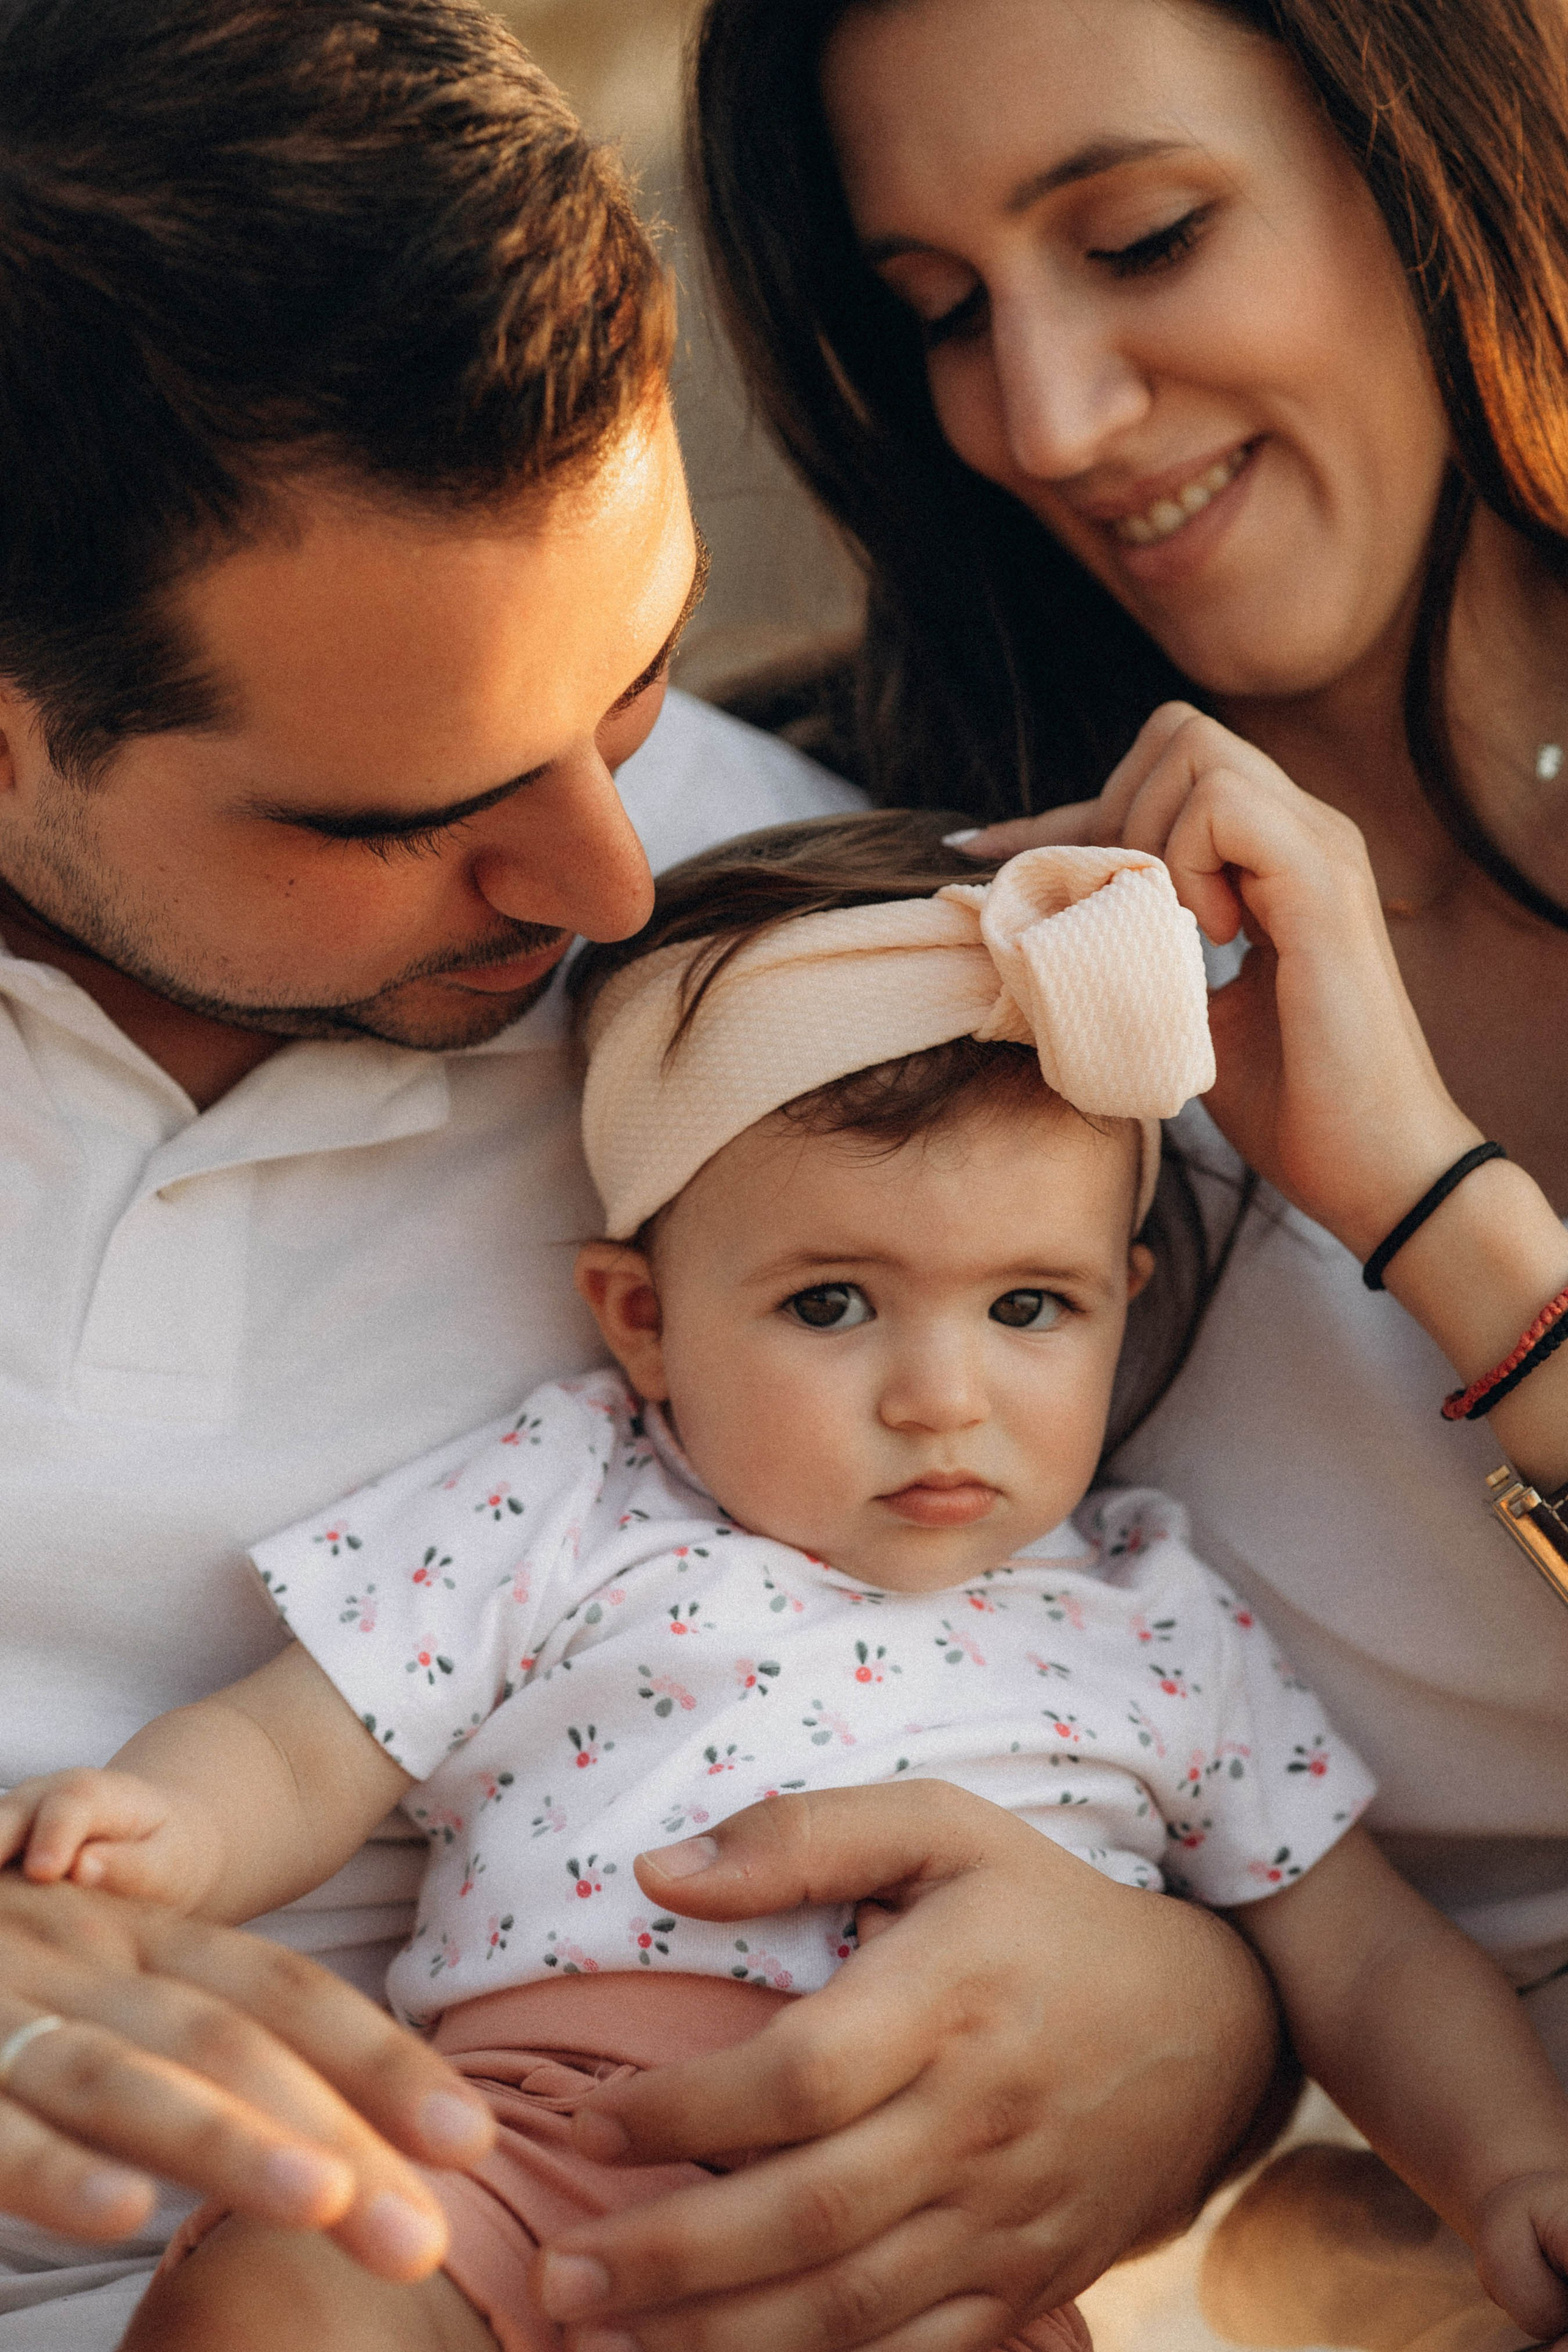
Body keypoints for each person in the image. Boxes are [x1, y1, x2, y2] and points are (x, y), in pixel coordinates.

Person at [0, 6, 1302, 2351]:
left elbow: (1199, 1672)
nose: (608, 885)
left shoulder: (820, 989)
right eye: (406, 816)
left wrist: (1200, 2034)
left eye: (630, 694)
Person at [10, 808, 1568, 2352]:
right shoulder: (570, 1497)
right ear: (641, 1319)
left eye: (1029, 1305)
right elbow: (304, 1740)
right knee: (292, 2290)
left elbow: (1362, 1957)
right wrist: (160, 1834)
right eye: (832, 1302)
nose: (940, 1395)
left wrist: (1508, 2170)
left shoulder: (1159, 1623)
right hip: (525, 2143)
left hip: (933, 2234)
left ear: (1122, 1303)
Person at [683, 0, 1568, 2343]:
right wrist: (1213, 2019)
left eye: (1144, 236)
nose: (1047, 421)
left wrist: (1421, 1202)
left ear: (1442, 155)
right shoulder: (861, 923)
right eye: (942, 315)